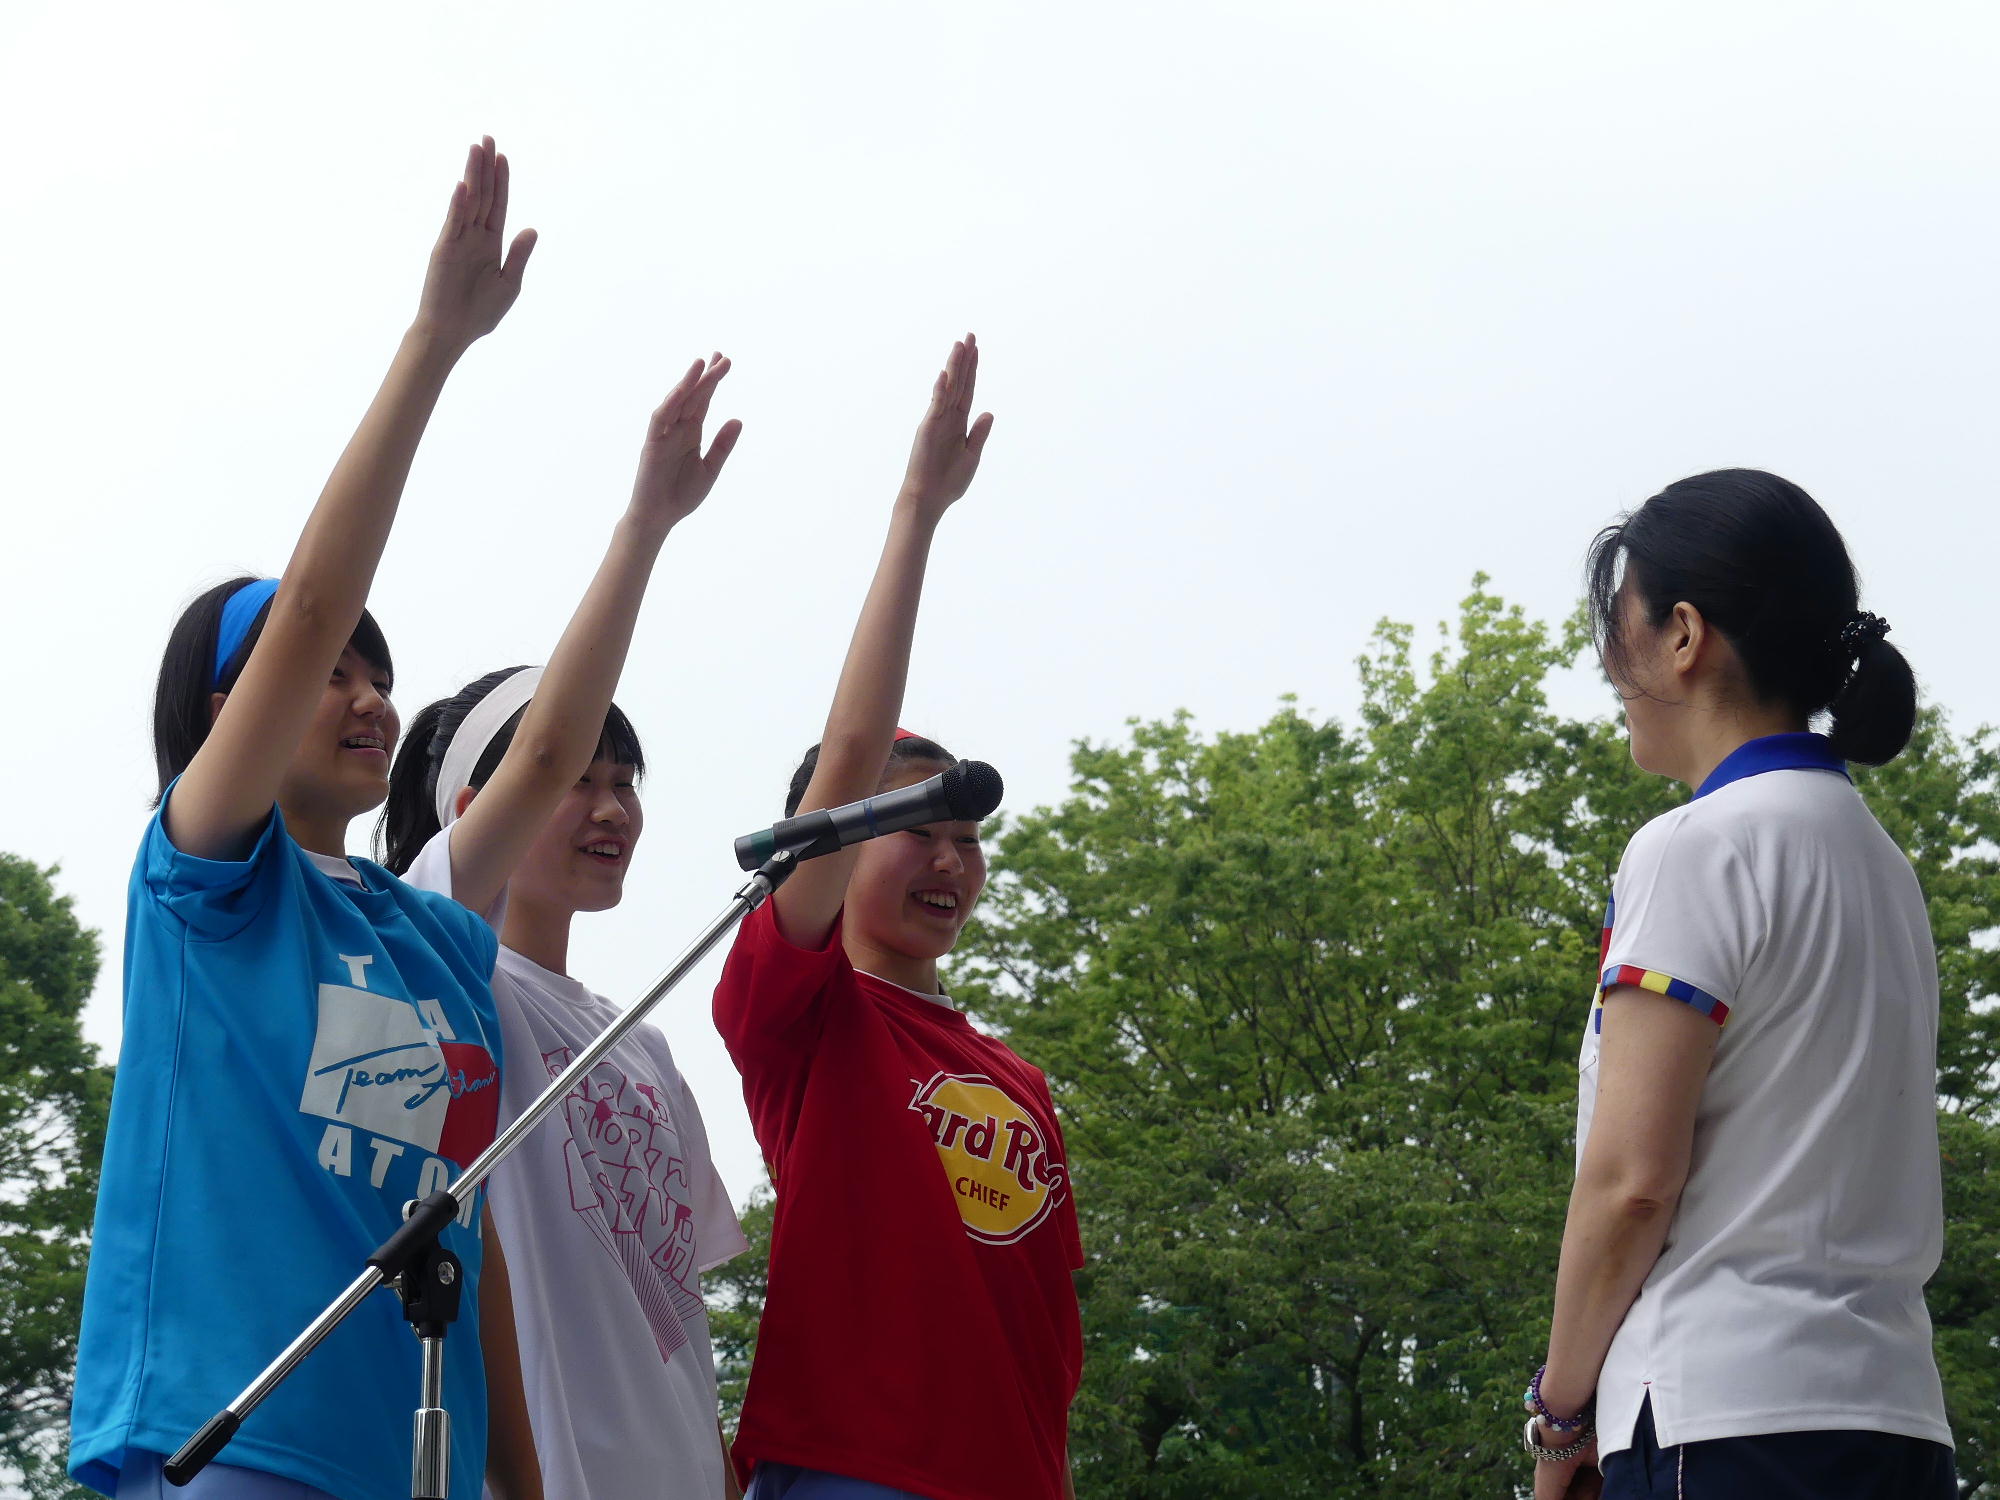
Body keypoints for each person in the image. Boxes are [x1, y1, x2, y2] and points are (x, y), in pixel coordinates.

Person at [69, 140, 544, 1500]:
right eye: (323, 668)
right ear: (227, 711)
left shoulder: (437, 941)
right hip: (239, 1445)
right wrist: (436, 346)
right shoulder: (205, 880)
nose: (364, 692)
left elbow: (472, 1236)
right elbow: (315, 605)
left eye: (380, 676)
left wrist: (648, 521)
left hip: (420, 1467)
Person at [1527, 469, 1955, 1500]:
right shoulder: (1881, 867)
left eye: (1615, 624)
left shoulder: (1693, 848)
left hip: (1717, 1424)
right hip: (1893, 1425)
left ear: (1682, 634)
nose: (1604, 661)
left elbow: (1631, 1182)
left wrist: (1559, 1419)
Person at [713, 336, 1084, 1500]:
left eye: (964, 837)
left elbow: (1042, 1342)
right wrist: (917, 515)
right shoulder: (802, 1017)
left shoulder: (1012, 1077)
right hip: (849, 1470)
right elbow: (847, 768)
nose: (948, 857)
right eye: (911, 824)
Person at [380, 354, 749, 1498]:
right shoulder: (447, 957)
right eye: (574, 777)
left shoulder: (642, 1042)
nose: (609, 806)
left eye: (626, 779)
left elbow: (677, 1309)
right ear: (466, 812)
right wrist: (644, 527)